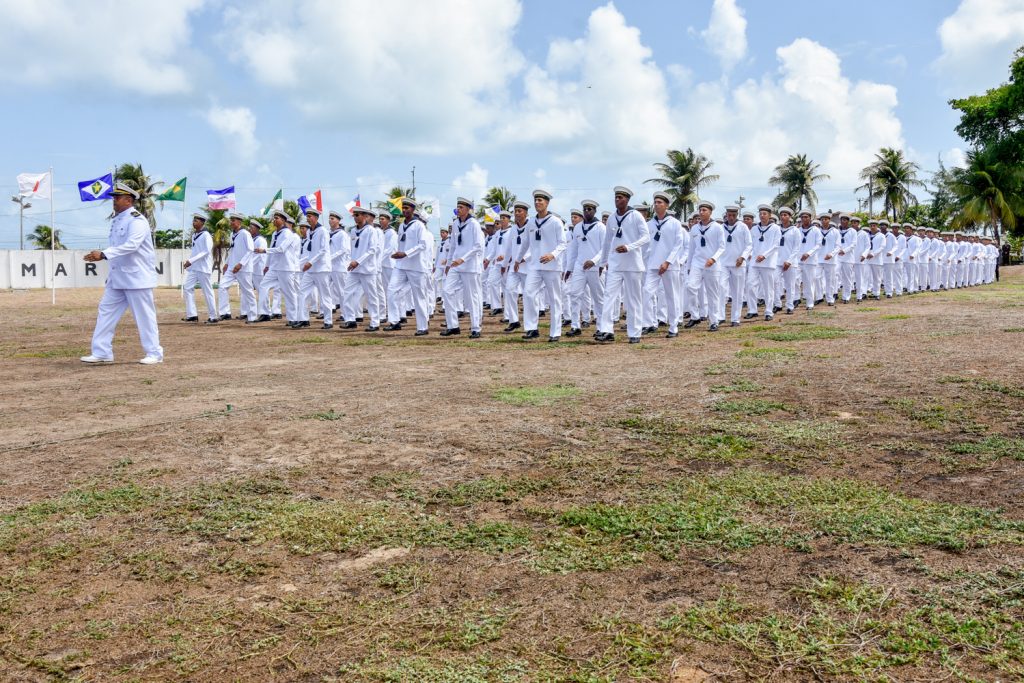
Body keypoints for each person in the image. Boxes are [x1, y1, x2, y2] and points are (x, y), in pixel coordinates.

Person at [81, 182, 164, 365]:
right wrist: (105, 255)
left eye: (117, 198)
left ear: (128, 200)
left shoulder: (137, 220)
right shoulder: (118, 219)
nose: (114, 201)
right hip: (118, 277)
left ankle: (154, 353)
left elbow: (131, 245)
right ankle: (102, 352)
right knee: (106, 311)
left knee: (144, 316)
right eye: (114, 198)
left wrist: (103, 254)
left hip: (136, 278)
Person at [596, 186, 650, 343]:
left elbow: (646, 237)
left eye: (620, 197)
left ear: (627, 200)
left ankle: (634, 332)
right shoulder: (612, 218)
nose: (617, 200)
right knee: (608, 296)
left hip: (633, 265)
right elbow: (607, 241)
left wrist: (629, 247)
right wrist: (603, 262)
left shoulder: (636, 216)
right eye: (616, 197)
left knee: (633, 299)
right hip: (615, 264)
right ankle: (606, 330)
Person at [518, 189, 568, 341]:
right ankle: (532, 328)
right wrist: (517, 259)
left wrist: (552, 254)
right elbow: (526, 242)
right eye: (536, 200)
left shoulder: (555, 222)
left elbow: (563, 243)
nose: (537, 202)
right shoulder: (531, 222)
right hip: (535, 266)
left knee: (554, 299)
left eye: (540, 200)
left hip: (552, 266)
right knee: (528, 293)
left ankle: (555, 332)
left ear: (547, 203)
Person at [386, 198, 434, 335]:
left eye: (407, 208)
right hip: (401, 265)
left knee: (419, 297)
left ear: (413, 209)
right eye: (403, 208)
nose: (405, 210)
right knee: (391, 290)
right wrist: (398, 255)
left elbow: (423, 245)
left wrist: (405, 253)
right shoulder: (401, 226)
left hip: (416, 266)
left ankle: (422, 327)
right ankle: (395, 321)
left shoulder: (419, 225)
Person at [642, 191, 685, 336]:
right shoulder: (649, 224)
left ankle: (673, 327)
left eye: (660, 202)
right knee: (647, 292)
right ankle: (649, 323)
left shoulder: (675, 223)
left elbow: (678, 244)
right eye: (655, 202)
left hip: (670, 266)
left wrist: (668, 261)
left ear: (666, 205)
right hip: (653, 265)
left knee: (671, 296)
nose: (657, 205)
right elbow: (645, 245)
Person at [442, 197, 485, 338]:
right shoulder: (455, 224)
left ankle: (475, 328)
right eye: (457, 207)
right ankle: (453, 325)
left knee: (471, 297)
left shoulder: (474, 224)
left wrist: (463, 258)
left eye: (461, 207)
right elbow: (453, 246)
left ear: (468, 209)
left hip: (470, 266)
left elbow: (478, 246)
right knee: (447, 291)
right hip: (456, 264)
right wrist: (449, 263)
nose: (458, 210)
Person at [565, 199, 606, 337]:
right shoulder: (577, 227)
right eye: (585, 209)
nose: (587, 211)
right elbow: (573, 251)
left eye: (590, 209)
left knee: (598, 298)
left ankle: (601, 327)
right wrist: (569, 269)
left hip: (595, 268)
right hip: (579, 267)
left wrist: (594, 261)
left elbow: (604, 249)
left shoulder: (600, 227)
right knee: (575, 295)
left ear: (595, 211)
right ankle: (575, 326)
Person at [685, 200, 726, 331]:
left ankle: (714, 321)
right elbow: (691, 248)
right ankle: (695, 316)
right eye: (700, 210)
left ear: (710, 212)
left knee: (712, 293)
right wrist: (689, 266)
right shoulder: (695, 228)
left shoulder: (717, 227)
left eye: (704, 210)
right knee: (690, 287)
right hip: (697, 262)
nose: (701, 212)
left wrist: (713, 259)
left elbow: (722, 247)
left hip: (712, 265)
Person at [343, 206, 384, 331]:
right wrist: (351, 262)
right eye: (354, 215)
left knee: (371, 296)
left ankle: (375, 323)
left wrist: (358, 262)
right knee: (347, 293)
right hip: (354, 269)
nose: (355, 217)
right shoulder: (353, 231)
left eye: (357, 215)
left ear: (365, 216)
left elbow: (373, 250)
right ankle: (350, 319)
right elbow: (352, 249)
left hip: (367, 269)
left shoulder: (371, 230)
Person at [256, 211, 300, 325]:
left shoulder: (287, 233)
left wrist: (264, 250)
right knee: (263, 285)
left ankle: (293, 318)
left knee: (289, 293)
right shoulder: (275, 233)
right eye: (274, 218)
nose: (274, 220)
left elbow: (281, 249)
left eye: (276, 218)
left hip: (286, 267)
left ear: (283, 220)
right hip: (275, 267)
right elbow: (272, 249)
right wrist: (267, 265)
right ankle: (265, 313)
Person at [295, 207, 333, 329]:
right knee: (302, 292)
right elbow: (310, 251)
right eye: (307, 217)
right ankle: (303, 319)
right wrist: (306, 263)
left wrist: (310, 262)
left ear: (316, 218)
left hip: (321, 268)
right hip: (311, 269)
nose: (308, 219)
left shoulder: (322, 231)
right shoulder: (310, 232)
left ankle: (328, 321)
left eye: (310, 217)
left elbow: (323, 250)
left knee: (324, 295)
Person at [217, 212, 256, 322]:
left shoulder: (245, 233)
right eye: (231, 220)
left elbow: (250, 250)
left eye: (233, 220)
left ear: (239, 222)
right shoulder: (232, 234)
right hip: (232, 267)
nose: (231, 222)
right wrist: (227, 263)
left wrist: (241, 264)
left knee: (247, 291)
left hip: (244, 268)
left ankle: (252, 316)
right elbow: (232, 251)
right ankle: (225, 313)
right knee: (222, 286)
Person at [181, 212, 218, 324]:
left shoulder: (206, 235)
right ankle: (192, 315)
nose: (193, 222)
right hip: (194, 268)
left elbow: (206, 251)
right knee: (187, 287)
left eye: (196, 221)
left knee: (207, 291)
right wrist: (190, 263)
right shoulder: (194, 235)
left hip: (203, 267)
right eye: (193, 220)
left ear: (202, 222)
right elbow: (195, 251)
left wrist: (191, 261)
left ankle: (213, 316)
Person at [747, 204, 781, 320]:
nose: (762, 216)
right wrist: (750, 255)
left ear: (770, 215)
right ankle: (752, 310)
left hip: (768, 262)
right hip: (755, 261)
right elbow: (750, 244)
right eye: (760, 213)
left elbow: (776, 245)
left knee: (768, 288)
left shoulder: (775, 228)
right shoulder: (754, 228)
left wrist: (765, 255)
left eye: (764, 213)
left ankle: (768, 311)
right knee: (750, 285)